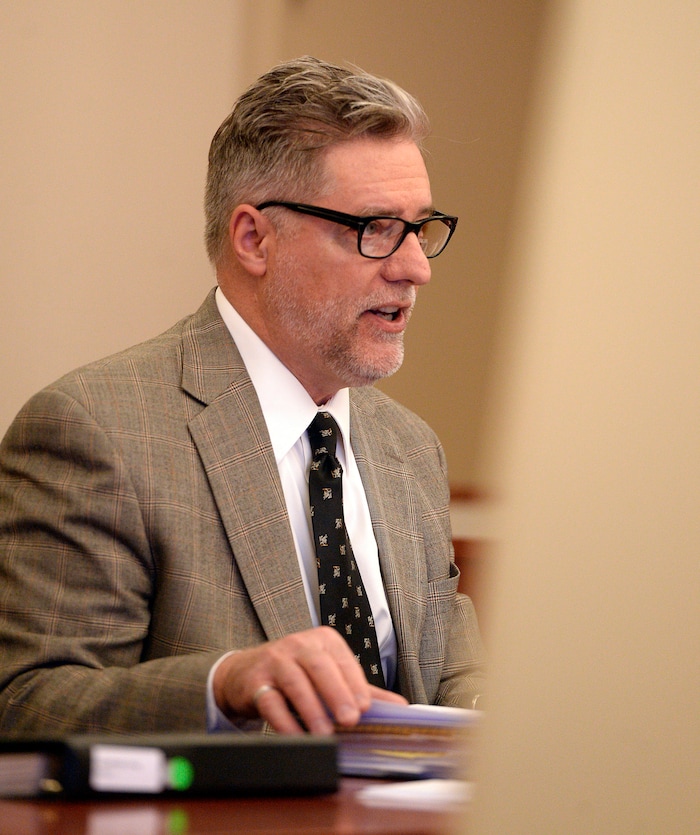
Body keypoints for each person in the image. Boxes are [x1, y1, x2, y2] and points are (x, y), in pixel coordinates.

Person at [0, 57, 485, 737]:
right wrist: (222, 685)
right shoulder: (96, 429)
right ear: (255, 238)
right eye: (376, 229)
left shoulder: (410, 447)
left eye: (421, 228)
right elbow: (25, 705)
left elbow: (453, 679)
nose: (415, 268)